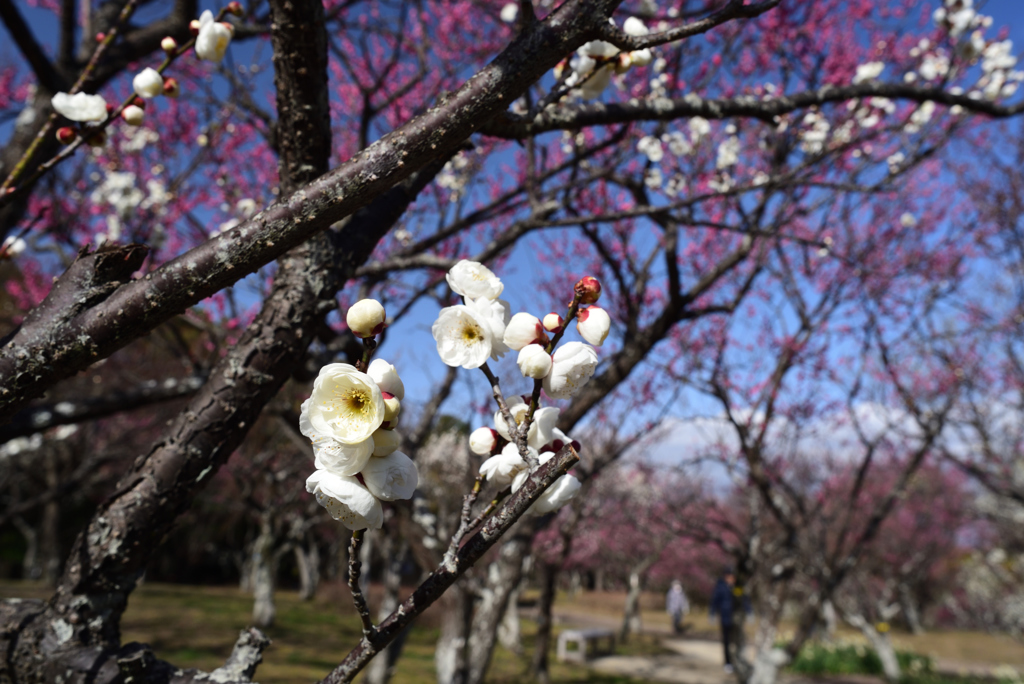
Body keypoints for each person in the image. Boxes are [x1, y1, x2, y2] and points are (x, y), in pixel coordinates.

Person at [709, 569, 751, 673]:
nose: (732, 579)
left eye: (733, 577)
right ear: (726, 577)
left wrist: (749, 611)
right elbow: (715, 601)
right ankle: (728, 663)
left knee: (738, 641)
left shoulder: (737, 587)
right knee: (726, 641)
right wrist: (712, 613)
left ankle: (738, 661)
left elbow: (744, 600)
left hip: (736, 619)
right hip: (725, 618)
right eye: (730, 577)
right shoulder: (720, 587)